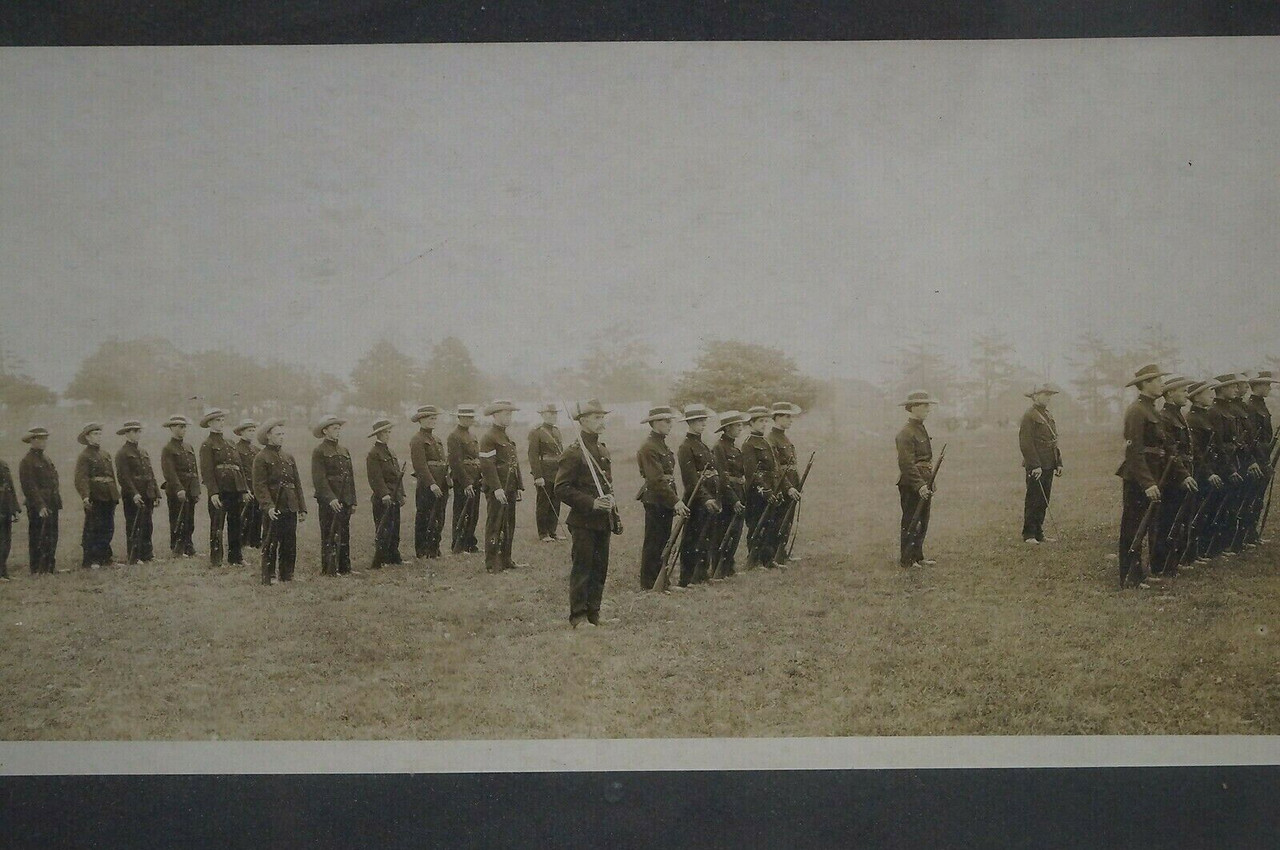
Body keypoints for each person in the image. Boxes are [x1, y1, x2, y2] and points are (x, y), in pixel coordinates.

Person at [555, 399, 618, 627]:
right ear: (582, 421)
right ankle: (579, 616)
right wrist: (591, 503)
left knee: (600, 568)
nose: (602, 422)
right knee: (583, 567)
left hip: (603, 519)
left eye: (603, 417)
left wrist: (609, 500)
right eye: (597, 418)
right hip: (583, 520)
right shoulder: (573, 452)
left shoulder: (602, 449)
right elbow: (561, 488)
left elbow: (606, 483)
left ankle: (594, 613)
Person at [1116, 365, 1169, 588]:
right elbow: (1134, 451)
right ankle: (1129, 574)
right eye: (1157, 380)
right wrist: (1147, 482)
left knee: (1146, 524)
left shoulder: (1152, 409)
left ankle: (1138, 572)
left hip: (1154, 473)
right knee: (1134, 525)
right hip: (1139, 477)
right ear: (1146, 384)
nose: (1161, 384)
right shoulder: (1136, 410)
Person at [1151, 376, 1198, 578]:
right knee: (1167, 519)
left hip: (1182, 470)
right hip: (1171, 476)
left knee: (1180, 517)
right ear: (1170, 393)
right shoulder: (1165, 418)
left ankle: (1172, 561)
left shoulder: (1178, 415)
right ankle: (1160, 565)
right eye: (1183, 391)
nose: (1187, 395)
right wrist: (1183, 475)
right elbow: (1171, 451)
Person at [635, 405, 685, 589]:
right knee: (654, 542)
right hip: (656, 498)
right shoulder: (649, 447)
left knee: (664, 540)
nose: (670, 424)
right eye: (666, 421)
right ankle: (649, 583)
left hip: (664, 498)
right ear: (655, 423)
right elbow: (656, 480)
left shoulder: (660, 443)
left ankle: (662, 581)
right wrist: (675, 501)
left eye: (670, 420)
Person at [252, 419, 306, 585]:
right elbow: (259, 485)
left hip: (290, 505)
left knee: (289, 541)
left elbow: (297, 483)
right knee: (271, 541)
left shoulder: (288, 456)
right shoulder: (261, 458)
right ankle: (269, 576)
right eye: (278, 434)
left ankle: (287, 574)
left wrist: (302, 508)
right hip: (274, 506)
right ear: (268, 436)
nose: (282, 437)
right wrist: (268, 506)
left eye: (283, 434)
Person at [675, 403, 720, 586]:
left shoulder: (702, 444)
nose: (703, 424)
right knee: (692, 538)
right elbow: (691, 480)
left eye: (704, 421)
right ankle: (687, 577)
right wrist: (706, 498)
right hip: (696, 498)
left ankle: (701, 574)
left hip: (708, 495)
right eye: (699, 421)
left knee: (706, 536)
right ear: (690, 423)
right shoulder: (686, 447)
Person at [198, 408, 249, 567]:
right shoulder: (207, 444)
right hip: (220, 490)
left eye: (222, 420)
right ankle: (216, 559)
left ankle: (236, 557)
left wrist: (244, 489)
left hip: (235, 489)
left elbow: (239, 467)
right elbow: (207, 471)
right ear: (210, 423)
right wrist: (213, 492)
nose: (220, 423)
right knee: (217, 524)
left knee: (236, 523)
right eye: (217, 421)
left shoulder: (230, 442)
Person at [479, 400, 525, 572]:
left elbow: (514, 462)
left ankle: (506, 560)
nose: (509, 417)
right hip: (498, 488)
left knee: (508, 524)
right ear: (495, 415)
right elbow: (487, 465)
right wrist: (497, 488)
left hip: (510, 487)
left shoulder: (507, 436)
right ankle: (492, 563)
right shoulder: (489, 437)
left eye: (510, 414)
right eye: (506, 414)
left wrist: (519, 485)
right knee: (495, 524)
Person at [896, 391, 940, 569]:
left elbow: (926, 460)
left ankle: (918, 556)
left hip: (924, 480)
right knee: (911, 520)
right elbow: (906, 464)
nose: (928, 409)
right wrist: (920, 485)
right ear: (914, 408)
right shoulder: (905, 433)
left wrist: (929, 481)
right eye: (924, 406)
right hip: (911, 483)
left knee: (923, 519)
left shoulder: (920, 428)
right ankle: (907, 559)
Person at [1205, 374, 1247, 556]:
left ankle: (1225, 544)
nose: (1236, 390)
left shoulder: (1228, 410)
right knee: (1219, 505)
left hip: (1232, 460)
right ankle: (1215, 546)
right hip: (1222, 464)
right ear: (1221, 390)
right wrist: (1229, 468)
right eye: (1231, 387)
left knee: (1230, 503)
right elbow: (1219, 444)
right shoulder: (1214, 411)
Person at [1185, 379, 1226, 563]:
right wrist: (1208, 472)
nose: (1211, 394)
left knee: (1209, 510)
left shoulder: (1205, 416)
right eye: (1207, 392)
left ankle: (1204, 549)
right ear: (1196, 397)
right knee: (1198, 512)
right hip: (1201, 472)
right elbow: (1197, 452)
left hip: (1211, 468)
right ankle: (1196, 551)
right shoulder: (1192, 418)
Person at [311, 414, 357, 576]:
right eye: (334, 428)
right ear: (325, 431)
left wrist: (353, 501)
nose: (338, 431)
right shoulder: (319, 451)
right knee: (329, 533)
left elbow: (350, 477)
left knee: (344, 533)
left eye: (339, 428)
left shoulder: (344, 450)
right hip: (329, 501)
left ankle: (345, 567)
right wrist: (330, 498)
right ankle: (329, 568)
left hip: (344, 499)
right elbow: (319, 479)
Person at [1018, 383, 1063, 544]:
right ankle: (1029, 534)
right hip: (1037, 465)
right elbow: (1026, 443)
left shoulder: (1048, 415)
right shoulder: (1029, 416)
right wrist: (1034, 465)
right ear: (1035, 396)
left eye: (1050, 395)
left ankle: (1039, 533)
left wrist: (1058, 462)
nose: (1048, 398)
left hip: (1049, 463)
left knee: (1044, 500)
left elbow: (1053, 440)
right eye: (1045, 395)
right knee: (1034, 498)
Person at [73, 422, 120, 568]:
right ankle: (91, 560)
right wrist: (85, 496)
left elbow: (111, 475)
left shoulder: (105, 454)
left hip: (109, 495)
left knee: (108, 527)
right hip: (95, 496)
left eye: (100, 434)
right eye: (95, 434)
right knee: (93, 527)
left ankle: (106, 558)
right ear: (87, 437)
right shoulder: (84, 456)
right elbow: (81, 478)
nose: (98, 437)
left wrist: (115, 493)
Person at [709, 411, 749, 579]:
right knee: (722, 532)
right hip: (727, 495)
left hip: (739, 491)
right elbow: (722, 476)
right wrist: (733, 500)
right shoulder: (719, 447)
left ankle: (729, 566)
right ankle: (719, 568)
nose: (741, 428)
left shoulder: (735, 447)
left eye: (741, 425)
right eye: (737, 425)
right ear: (727, 428)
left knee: (736, 531)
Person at [765, 402, 804, 565]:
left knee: (787, 519)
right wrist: (788, 487)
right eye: (787, 417)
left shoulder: (784, 437)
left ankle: (783, 552)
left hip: (791, 482)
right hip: (781, 485)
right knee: (779, 520)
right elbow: (776, 468)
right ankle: (774, 555)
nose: (791, 420)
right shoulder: (771, 439)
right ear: (778, 417)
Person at [115, 420, 159, 564]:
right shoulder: (122, 453)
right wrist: (134, 493)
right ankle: (135, 556)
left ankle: (148, 554)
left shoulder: (143, 451)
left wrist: (156, 493)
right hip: (133, 494)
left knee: (147, 524)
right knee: (134, 524)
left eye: (139, 431)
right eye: (134, 431)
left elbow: (150, 473)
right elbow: (123, 476)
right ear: (126, 433)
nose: (137, 434)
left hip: (147, 492)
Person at [409, 405, 450, 560]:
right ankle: (422, 549)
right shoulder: (417, 439)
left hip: (442, 482)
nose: (433, 421)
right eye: (429, 418)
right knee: (425, 515)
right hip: (428, 484)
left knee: (439, 515)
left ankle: (434, 548)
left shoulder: (437, 439)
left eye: (434, 418)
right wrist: (431, 484)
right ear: (421, 420)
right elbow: (420, 465)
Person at [18, 426, 61, 574]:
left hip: (52, 502)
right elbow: (29, 486)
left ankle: (49, 567)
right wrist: (40, 505)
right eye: (39, 439)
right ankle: (37, 568)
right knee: (38, 536)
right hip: (38, 504)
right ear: (32, 440)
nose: (43, 442)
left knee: (52, 535)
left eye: (45, 439)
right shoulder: (27, 461)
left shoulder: (46, 458)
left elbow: (54, 479)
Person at [740, 405, 778, 568]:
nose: (764, 424)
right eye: (760, 421)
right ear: (751, 424)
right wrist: (765, 490)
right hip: (757, 492)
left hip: (770, 488)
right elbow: (752, 473)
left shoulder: (765, 442)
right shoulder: (748, 444)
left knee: (770, 524)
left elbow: (774, 468)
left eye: (765, 421)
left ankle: (768, 560)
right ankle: (754, 560)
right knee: (756, 525)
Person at [366, 418, 406, 569]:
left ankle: (394, 556)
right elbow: (375, 477)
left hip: (395, 495)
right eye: (385, 432)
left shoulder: (391, 451)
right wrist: (384, 494)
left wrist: (401, 494)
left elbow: (397, 475)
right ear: (378, 434)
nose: (388, 435)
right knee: (384, 529)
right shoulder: (373, 453)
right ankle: (381, 559)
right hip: (383, 498)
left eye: (389, 432)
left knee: (395, 528)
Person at [1244, 370, 1277, 544]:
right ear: (1257, 386)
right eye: (1267, 384)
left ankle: (1251, 534)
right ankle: (1245, 534)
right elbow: (1249, 439)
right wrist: (1255, 460)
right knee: (1250, 497)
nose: (1270, 388)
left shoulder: (1261, 405)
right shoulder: (1250, 407)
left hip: (1263, 456)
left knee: (1257, 498)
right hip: (1256, 458)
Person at [160, 415, 200, 558]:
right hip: (177, 490)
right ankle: (177, 548)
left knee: (190, 519)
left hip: (190, 488)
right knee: (177, 519)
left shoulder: (188, 447)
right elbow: (169, 472)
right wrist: (179, 489)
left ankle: (189, 547)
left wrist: (196, 490)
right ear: (171, 428)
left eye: (184, 427)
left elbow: (194, 470)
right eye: (179, 427)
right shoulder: (168, 448)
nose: (183, 430)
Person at [528, 403, 565, 542]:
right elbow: (533, 455)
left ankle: (552, 531)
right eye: (550, 414)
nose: (553, 416)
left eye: (555, 414)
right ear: (543, 415)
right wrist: (538, 476)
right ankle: (543, 533)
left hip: (558, 472)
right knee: (544, 502)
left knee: (556, 502)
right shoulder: (536, 432)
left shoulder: (556, 431)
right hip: (544, 472)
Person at [447, 404, 481, 554]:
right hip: (463, 479)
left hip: (475, 478)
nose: (469, 420)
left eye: (471, 417)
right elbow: (455, 462)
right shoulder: (454, 436)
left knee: (473, 512)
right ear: (459, 418)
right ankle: (459, 544)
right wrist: (466, 483)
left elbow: (477, 457)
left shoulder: (472, 436)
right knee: (461, 511)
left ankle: (470, 543)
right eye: (466, 417)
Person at [232, 420, 263, 549]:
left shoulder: (256, 449)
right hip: (245, 486)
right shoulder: (237, 448)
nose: (252, 433)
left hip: (257, 486)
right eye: (249, 430)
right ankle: (243, 541)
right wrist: (244, 488)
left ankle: (255, 540)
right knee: (245, 515)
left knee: (258, 514)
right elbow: (239, 470)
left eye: (253, 430)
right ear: (241, 432)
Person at [0, 440, 20, 580]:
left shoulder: (3, 464)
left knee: (6, 542)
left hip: (5, 509)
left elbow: (10, 489)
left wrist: (14, 509)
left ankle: (3, 572)